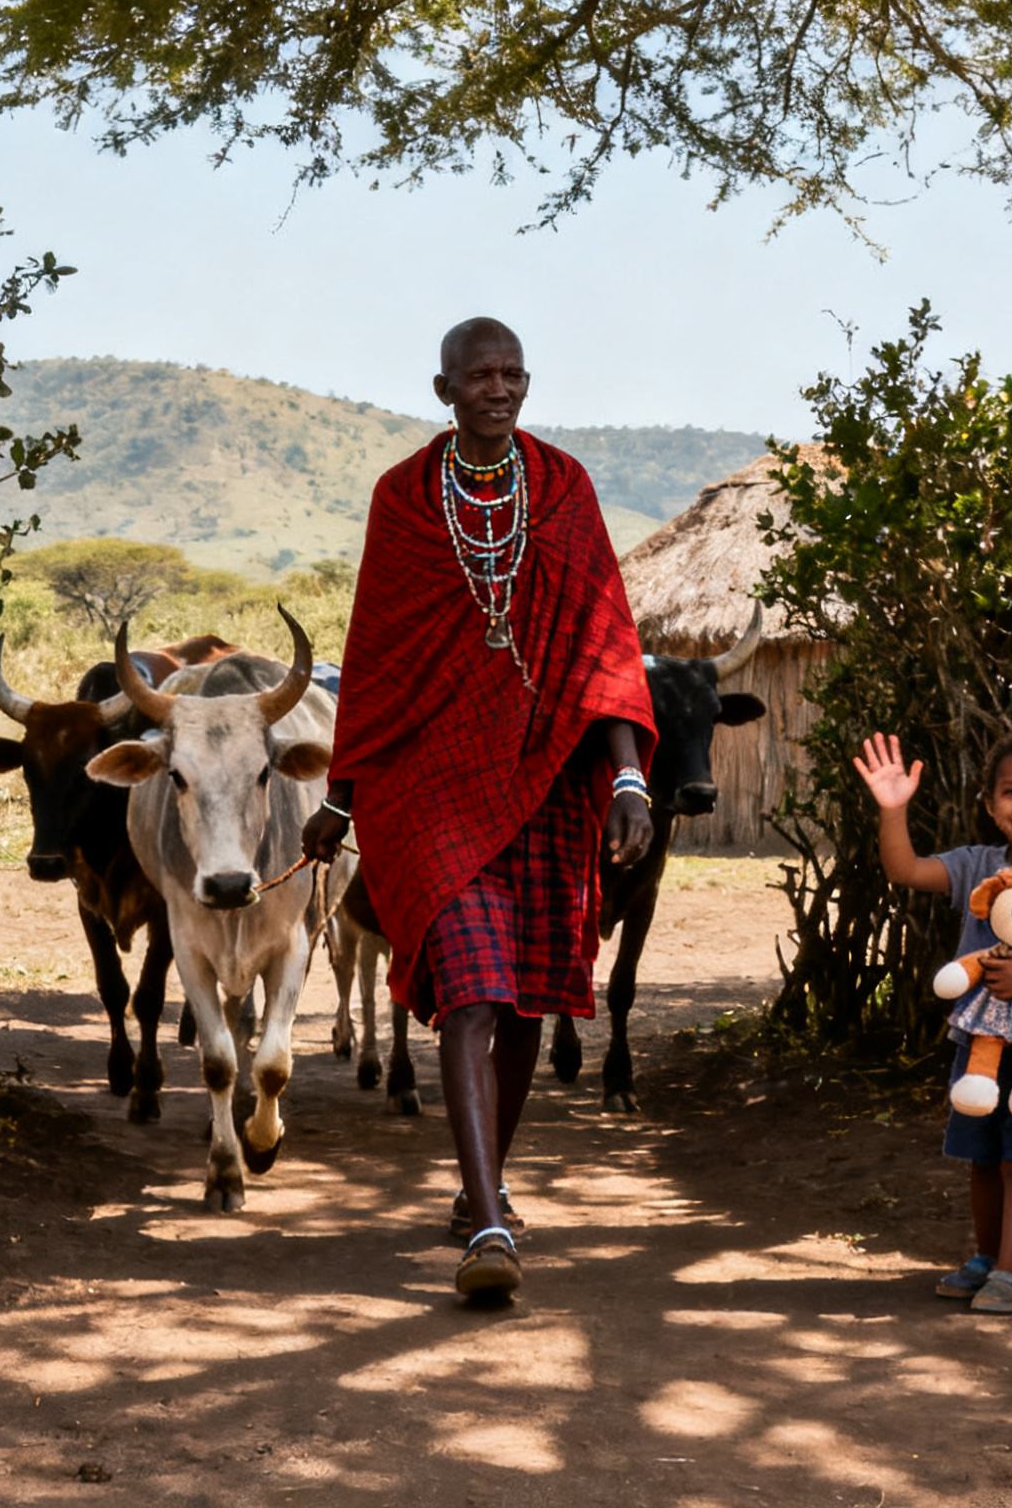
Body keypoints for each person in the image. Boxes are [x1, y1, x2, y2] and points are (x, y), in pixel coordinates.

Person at [304, 318, 655, 1306]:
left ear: (526, 383)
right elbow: (372, 657)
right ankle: (492, 1214)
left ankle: (479, 1182)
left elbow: (603, 643)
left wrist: (626, 774)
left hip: (545, 773)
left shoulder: (567, 487)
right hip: (430, 783)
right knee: (468, 987)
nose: (498, 389)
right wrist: (338, 797)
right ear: (444, 387)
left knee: (527, 992)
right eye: (479, 376)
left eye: (512, 375)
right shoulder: (406, 501)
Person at [856, 727, 1012, 1315]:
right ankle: (985, 1257)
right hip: (978, 1045)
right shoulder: (975, 866)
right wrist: (892, 809)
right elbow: (905, 870)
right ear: (992, 804)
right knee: (983, 1158)